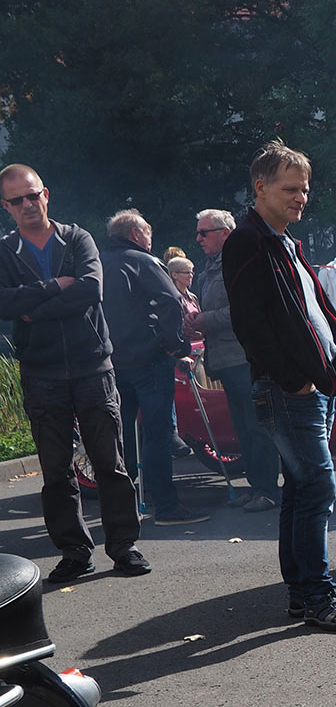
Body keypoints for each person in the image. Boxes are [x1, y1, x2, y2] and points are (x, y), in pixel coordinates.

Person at [223, 139, 336, 632]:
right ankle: (317, 596)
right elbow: (252, 327)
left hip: (308, 387)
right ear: (260, 187)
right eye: (290, 188)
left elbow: (305, 316)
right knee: (317, 488)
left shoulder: (281, 240)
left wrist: (323, 376)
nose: (300, 197)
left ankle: (305, 593)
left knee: (303, 490)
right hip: (291, 391)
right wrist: (298, 380)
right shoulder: (248, 240)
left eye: (304, 189)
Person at [0, 164, 149, 582]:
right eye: (17, 200)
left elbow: (90, 290)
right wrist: (54, 286)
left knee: (111, 463)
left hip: (92, 366)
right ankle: (74, 552)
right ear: (6, 207)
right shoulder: (3, 251)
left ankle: (124, 546)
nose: (28, 205)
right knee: (56, 471)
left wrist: (31, 307)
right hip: (41, 373)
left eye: (33, 195)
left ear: (46, 194)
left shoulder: (77, 238)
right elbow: (3, 304)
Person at [98, 209, 209, 525]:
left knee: (120, 435)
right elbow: (171, 302)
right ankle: (167, 507)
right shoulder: (144, 261)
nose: (151, 237)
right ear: (135, 234)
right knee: (157, 434)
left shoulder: (97, 262)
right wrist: (175, 345)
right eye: (148, 231)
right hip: (149, 360)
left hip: (112, 361)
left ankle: (124, 507)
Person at [190, 208, 279, 511]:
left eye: (205, 232)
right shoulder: (215, 266)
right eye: (198, 232)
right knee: (244, 427)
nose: (198, 238)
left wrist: (204, 319)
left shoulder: (240, 264)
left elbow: (245, 310)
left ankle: (268, 490)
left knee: (257, 426)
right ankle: (257, 488)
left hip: (245, 358)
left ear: (225, 233)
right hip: (228, 359)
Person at [166, 256, 200, 338]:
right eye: (187, 272)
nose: (191, 276)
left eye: (192, 272)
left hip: (200, 345)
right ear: (174, 275)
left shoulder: (193, 297)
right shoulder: (169, 298)